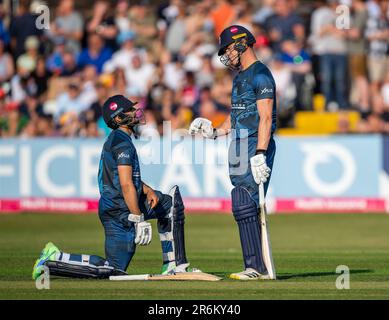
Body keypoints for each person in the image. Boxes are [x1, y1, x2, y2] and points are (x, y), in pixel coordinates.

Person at [32, 95, 199, 280]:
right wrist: (139, 218)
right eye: (129, 110)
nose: (135, 112)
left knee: (112, 270)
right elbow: (126, 184)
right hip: (122, 208)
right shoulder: (122, 143)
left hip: (112, 208)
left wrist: (147, 190)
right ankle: (174, 265)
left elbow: (123, 179)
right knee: (170, 204)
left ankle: (55, 258)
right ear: (118, 119)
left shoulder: (116, 139)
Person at [189, 25, 277, 280]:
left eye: (227, 48)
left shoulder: (261, 74)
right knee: (241, 200)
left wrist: (260, 152)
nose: (226, 55)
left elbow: (266, 117)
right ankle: (254, 265)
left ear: (241, 44)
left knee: (246, 201)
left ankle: (256, 268)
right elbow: (237, 115)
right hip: (237, 143)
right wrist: (214, 132)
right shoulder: (240, 77)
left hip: (253, 143)